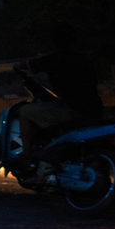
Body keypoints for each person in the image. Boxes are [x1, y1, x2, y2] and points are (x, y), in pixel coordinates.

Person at [18, 21, 103, 155]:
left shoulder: (52, 59)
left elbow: (20, 66)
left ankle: (27, 153)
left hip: (72, 108)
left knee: (24, 111)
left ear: (54, 41)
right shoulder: (84, 58)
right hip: (95, 108)